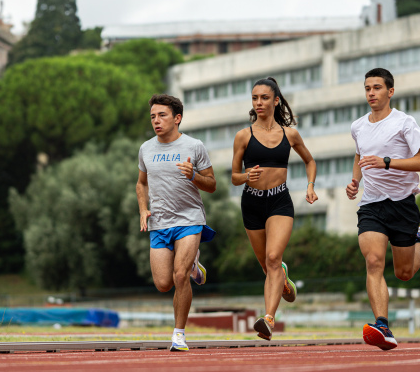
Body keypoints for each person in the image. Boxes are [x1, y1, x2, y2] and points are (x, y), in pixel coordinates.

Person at [231, 77, 317, 341]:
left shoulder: (289, 134)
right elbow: (234, 176)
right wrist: (246, 177)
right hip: (252, 203)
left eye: (264, 98)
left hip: (280, 201)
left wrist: (310, 186)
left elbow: (310, 160)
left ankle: (268, 319)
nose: (259, 102)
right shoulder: (243, 136)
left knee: (272, 259)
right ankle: (284, 280)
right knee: (268, 267)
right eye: (255, 98)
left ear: (276, 100)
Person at [346, 67, 420, 351]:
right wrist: (355, 181)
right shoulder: (358, 126)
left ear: (390, 91)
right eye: (367, 88)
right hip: (372, 205)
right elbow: (359, 154)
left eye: (377, 88)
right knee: (374, 261)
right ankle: (382, 325)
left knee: (404, 273)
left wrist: (387, 162)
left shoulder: (405, 123)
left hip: (402, 204)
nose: (371, 93)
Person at [136, 93, 217, 352]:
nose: (156, 121)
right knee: (163, 283)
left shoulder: (194, 146)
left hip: (189, 219)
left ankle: (179, 335)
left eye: (162, 115)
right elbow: (141, 183)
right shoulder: (146, 149)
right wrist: (142, 209)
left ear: (177, 118)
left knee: (179, 276)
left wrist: (194, 175)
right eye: (153, 117)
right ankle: (195, 266)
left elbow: (212, 184)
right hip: (159, 222)